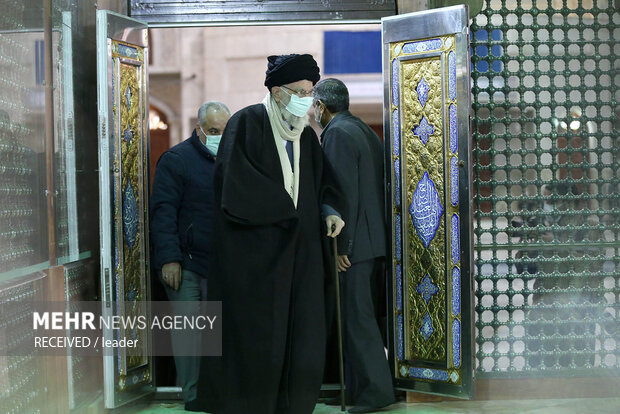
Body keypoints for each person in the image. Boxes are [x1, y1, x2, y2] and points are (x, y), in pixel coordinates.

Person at [195, 54, 346, 414]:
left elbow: (324, 184)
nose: (307, 100)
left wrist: (330, 210)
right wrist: (287, 213)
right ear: (278, 93)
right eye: (300, 91)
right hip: (257, 263)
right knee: (258, 345)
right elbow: (234, 186)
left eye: (310, 92)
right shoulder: (246, 124)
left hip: (301, 260)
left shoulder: (307, 138)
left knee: (302, 341)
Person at [313, 78, 395, 413]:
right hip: (371, 243)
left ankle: (376, 393)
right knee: (359, 319)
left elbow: (342, 193)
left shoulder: (336, 134)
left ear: (322, 106)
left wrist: (342, 247)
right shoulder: (362, 129)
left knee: (357, 321)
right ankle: (358, 389)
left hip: (355, 247)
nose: (312, 113)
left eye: (313, 106)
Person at [150, 101, 231, 411]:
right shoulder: (176, 160)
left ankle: (215, 393)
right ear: (199, 129)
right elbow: (163, 213)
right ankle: (193, 396)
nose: (219, 137)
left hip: (219, 263)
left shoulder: (233, 159)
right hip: (184, 265)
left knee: (217, 333)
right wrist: (169, 258)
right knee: (188, 334)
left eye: (224, 131)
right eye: (213, 131)